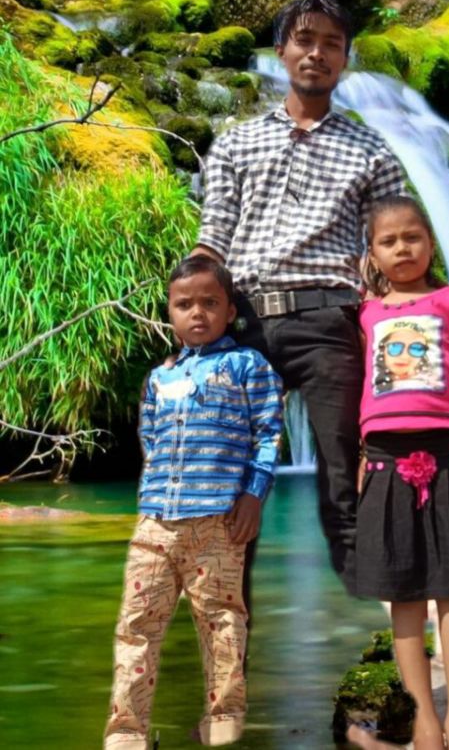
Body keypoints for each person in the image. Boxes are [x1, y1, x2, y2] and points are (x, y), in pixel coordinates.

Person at [190, 0, 406, 597]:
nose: (317, 53)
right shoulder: (236, 144)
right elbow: (214, 235)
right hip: (245, 324)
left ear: (345, 59)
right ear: (282, 51)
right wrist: (193, 318)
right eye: (305, 40)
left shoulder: (372, 152)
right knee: (227, 483)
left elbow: (394, 251)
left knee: (347, 479)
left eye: (331, 44)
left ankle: (398, 629)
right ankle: (228, 644)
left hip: (330, 322)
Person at [104, 255, 283, 750]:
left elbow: (268, 434)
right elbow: (150, 439)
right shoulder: (158, 378)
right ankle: (127, 730)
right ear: (170, 312)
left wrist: (253, 495)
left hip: (218, 521)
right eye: (185, 304)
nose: (197, 312)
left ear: (230, 311)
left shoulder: (248, 366)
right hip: (156, 522)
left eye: (210, 302)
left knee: (222, 622)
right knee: (136, 624)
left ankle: (224, 719)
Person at [354, 195, 449, 750]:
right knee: (403, 594)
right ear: (372, 254)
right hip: (384, 460)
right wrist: (359, 454)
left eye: (412, 237)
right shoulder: (366, 313)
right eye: (388, 241)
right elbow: (361, 386)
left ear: (432, 242)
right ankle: (423, 715)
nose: (402, 248)